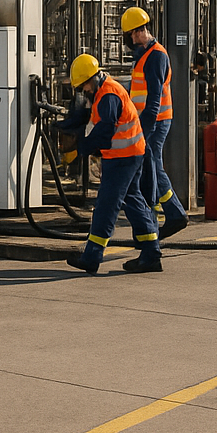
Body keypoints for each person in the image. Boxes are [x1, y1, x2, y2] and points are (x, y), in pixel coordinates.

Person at [58, 54, 160, 274]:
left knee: (106, 204)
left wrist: (83, 147)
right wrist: (63, 124)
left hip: (123, 157)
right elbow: (87, 116)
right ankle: (151, 253)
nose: (82, 91)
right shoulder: (103, 90)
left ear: (91, 79)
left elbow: (105, 130)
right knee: (132, 200)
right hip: (129, 154)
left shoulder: (107, 95)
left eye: (83, 86)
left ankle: (92, 256)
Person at [121, 7, 189, 240]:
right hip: (148, 121)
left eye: (131, 35)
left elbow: (153, 100)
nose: (131, 40)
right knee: (151, 165)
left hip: (155, 121)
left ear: (140, 31)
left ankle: (170, 213)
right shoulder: (145, 55)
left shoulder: (156, 56)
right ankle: (169, 213)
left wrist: (141, 130)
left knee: (151, 164)